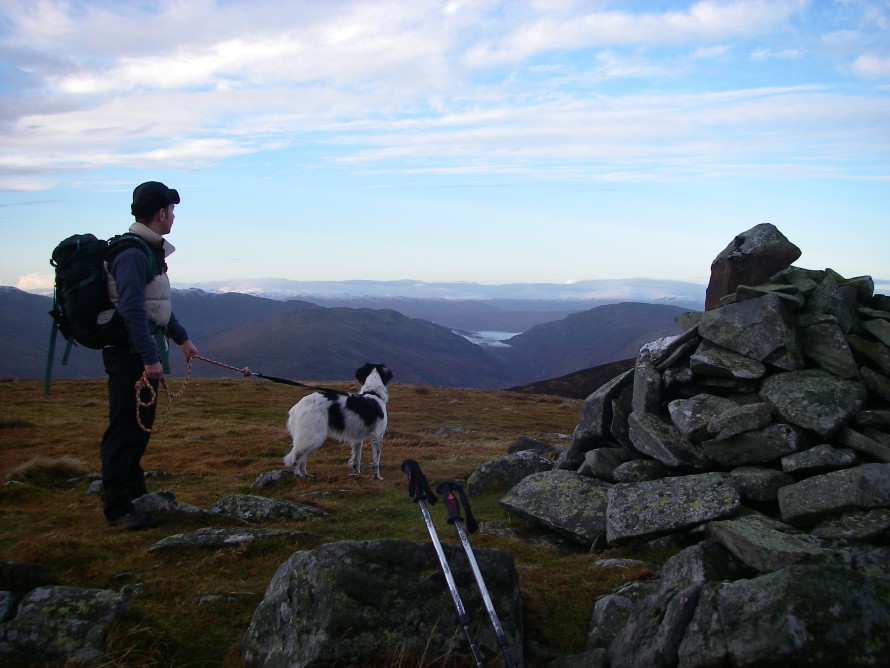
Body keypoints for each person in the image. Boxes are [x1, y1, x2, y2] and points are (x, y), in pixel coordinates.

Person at [100, 181, 198, 530]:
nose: (173, 216)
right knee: (124, 428)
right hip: (130, 356)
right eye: (171, 210)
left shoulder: (147, 250)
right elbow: (131, 309)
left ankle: (134, 492)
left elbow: (155, 306)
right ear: (161, 213)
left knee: (139, 429)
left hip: (139, 354)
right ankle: (117, 508)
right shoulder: (133, 254)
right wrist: (149, 357)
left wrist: (182, 339)